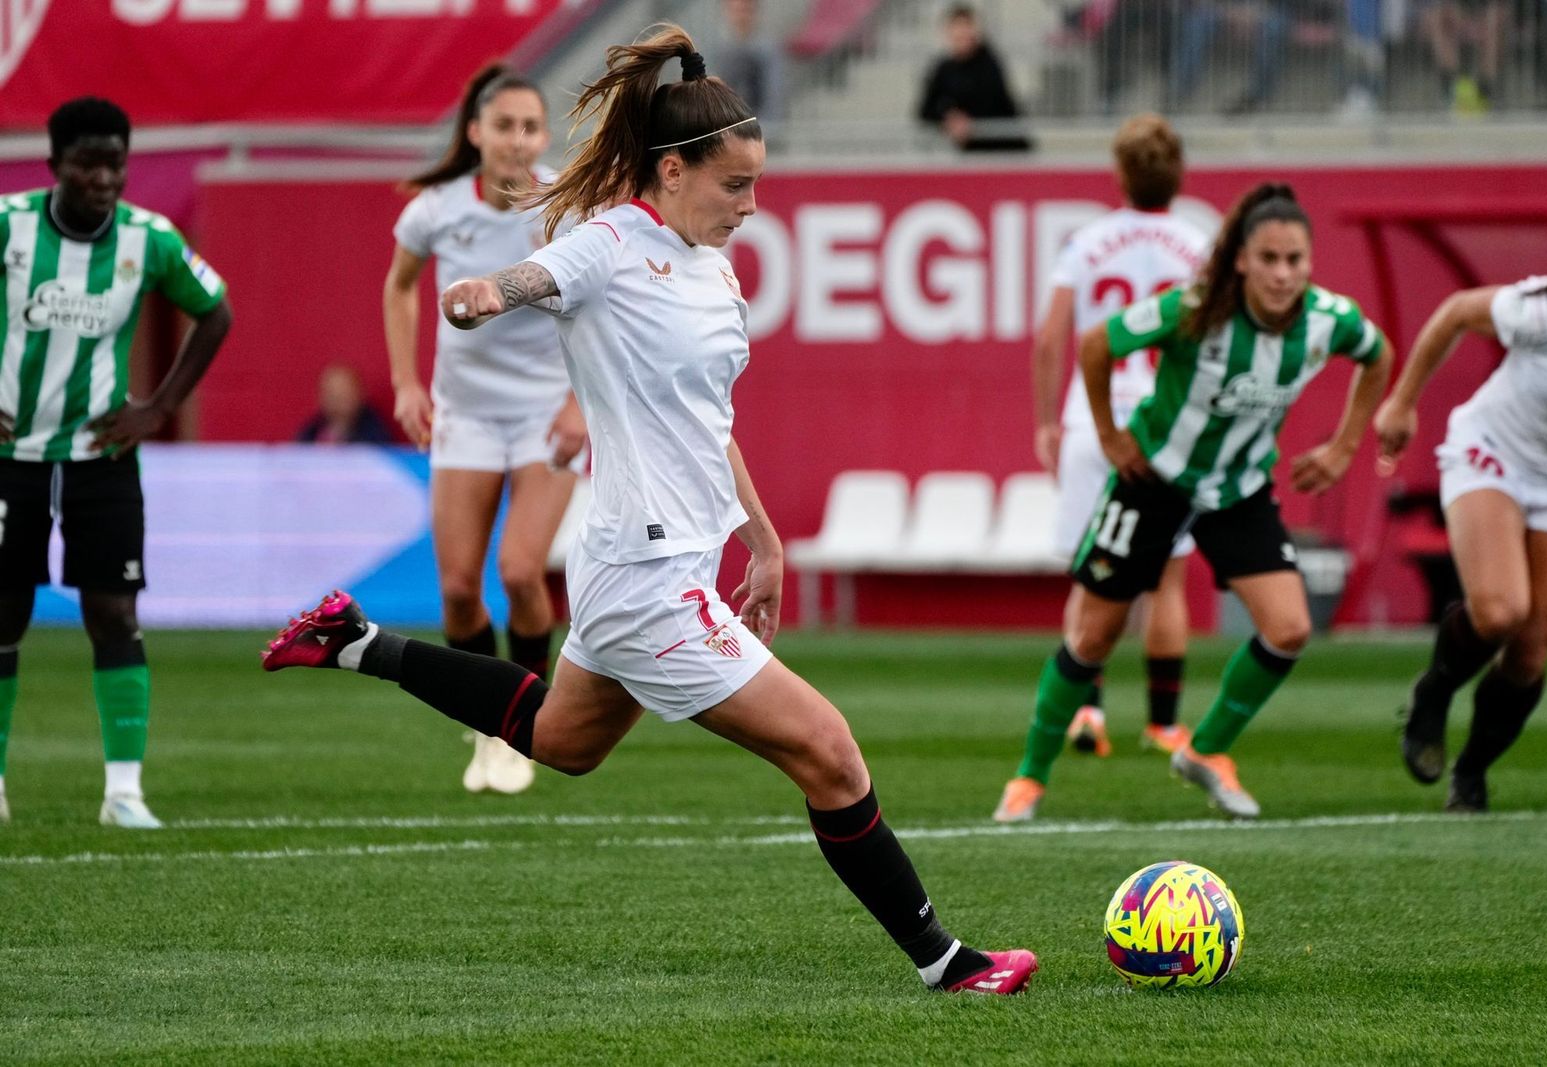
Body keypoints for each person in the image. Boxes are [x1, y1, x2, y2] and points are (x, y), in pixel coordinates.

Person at [265, 26, 1035, 994]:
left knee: (563, 742)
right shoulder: (609, 243)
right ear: (672, 170)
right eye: (735, 185)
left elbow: (709, 421)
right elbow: (530, 280)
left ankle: (355, 640)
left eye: (755, 185)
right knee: (831, 754)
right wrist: (478, 297)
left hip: (659, 558)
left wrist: (760, 534)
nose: (750, 207)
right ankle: (946, 960)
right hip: (645, 577)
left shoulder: (710, 263)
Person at [1001, 182, 1392, 821]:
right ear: (1241, 259)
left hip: (1236, 489)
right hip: (1154, 478)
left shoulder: (1331, 319)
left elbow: (1378, 357)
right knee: (1095, 636)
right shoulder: (1196, 309)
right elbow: (1097, 344)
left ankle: (1206, 751)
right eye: (1269, 258)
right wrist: (1107, 433)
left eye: (1295, 259)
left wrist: (1347, 446)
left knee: (1290, 628)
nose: (1283, 273)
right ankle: (1029, 777)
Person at [0, 97, 233, 828]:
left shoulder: (149, 238)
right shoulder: (8, 226)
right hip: (11, 454)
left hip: (101, 454)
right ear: (54, 166)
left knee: (114, 611)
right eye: (87, 163)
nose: (103, 178)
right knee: (4, 614)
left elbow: (217, 309)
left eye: (115, 164)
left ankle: (124, 791)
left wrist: (157, 407)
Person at [994, 113, 1211, 824]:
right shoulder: (1199, 242)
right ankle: (1165, 720)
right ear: (1175, 175)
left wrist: (1047, 420)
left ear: (1120, 176)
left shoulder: (1088, 242)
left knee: (1093, 571)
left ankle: (1086, 709)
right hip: (1167, 425)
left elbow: (1052, 337)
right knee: (1168, 575)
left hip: (1095, 418)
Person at [383, 64, 585, 795]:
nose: (518, 140)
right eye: (504, 126)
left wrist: (581, 405)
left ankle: (526, 725)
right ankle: (486, 726)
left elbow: (603, 303)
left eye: (531, 126)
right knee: (462, 590)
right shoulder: (436, 209)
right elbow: (400, 285)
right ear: (475, 132)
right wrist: (407, 382)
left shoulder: (568, 201)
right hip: (464, 414)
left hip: (547, 413)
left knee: (521, 570)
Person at [1375, 254, 1547, 812]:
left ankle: (1471, 772)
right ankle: (1435, 691)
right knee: (1501, 611)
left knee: (1529, 657)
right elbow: (1455, 312)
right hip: (1493, 453)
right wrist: (1402, 403)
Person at [916, 5, 1032, 152]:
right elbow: (925, 111)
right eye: (957, 28)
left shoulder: (990, 63)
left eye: (966, 27)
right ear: (947, 32)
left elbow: (993, 105)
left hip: (1005, 153)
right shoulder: (943, 68)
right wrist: (949, 118)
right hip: (972, 156)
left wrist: (967, 121)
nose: (962, 33)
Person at [707, 0, 786, 124]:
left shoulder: (768, 51)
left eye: (745, 10)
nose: (741, 16)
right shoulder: (717, 51)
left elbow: (773, 98)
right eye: (736, 10)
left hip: (759, 130)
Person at [295, 364, 394, 445]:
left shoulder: (375, 431)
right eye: (331, 394)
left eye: (345, 393)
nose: (338, 401)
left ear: (361, 393)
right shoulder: (311, 430)